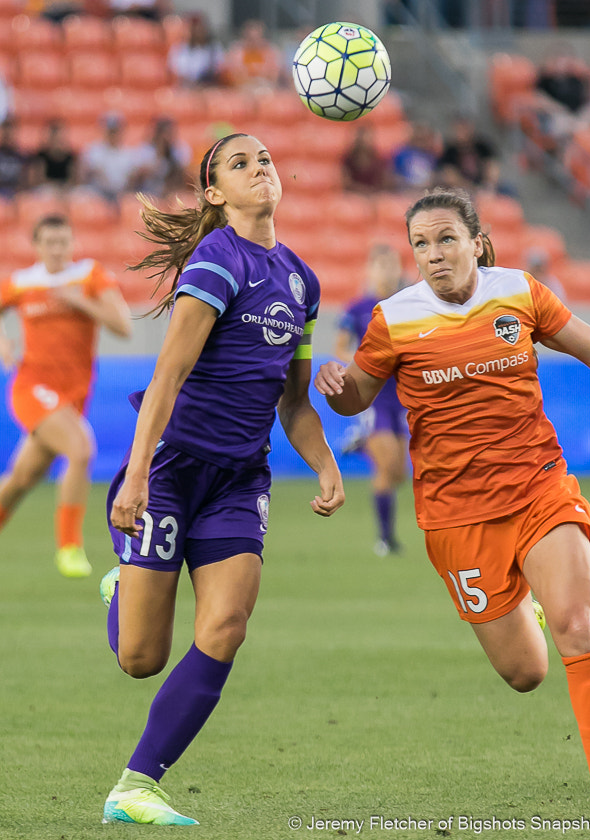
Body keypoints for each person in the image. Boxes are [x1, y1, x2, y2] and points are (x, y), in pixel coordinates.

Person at [314, 186, 590, 823]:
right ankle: (524, 609)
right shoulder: (393, 318)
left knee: (580, 625)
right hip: (456, 516)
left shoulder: (518, 291)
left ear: (477, 242)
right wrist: (338, 386)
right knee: (525, 673)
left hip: (539, 485)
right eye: (420, 244)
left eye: (446, 239)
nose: (432, 255)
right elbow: (358, 398)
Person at [98, 133, 344, 825]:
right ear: (214, 193)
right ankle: (122, 583)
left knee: (227, 625)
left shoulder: (301, 280)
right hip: (171, 469)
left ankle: (137, 785)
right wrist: (138, 476)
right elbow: (168, 375)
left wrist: (324, 464)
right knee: (141, 658)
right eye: (240, 163)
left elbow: (291, 400)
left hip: (241, 477)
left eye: (264, 159)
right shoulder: (215, 259)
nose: (260, 168)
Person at [0, 214, 131, 577]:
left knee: (22, 478)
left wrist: (80, 303)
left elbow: (123, 326)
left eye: (63, 242)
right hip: (31, 387)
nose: (57, 249)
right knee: (81, 448)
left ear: (72, 244)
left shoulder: (88, 276)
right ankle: (69, 547)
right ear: (37, 246)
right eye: (49, 242)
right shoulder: (23, 282)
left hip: (73, 395)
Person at [334, 243, 408, 556]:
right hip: (374, 397)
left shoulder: (410, 304)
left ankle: (362, 443)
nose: (386, 272)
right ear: (370, 270)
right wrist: (362, 369)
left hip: (403, 396)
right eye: (380, 265)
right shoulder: (357, 308)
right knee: (387, 467)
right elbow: (340, 348)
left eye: (391, 265)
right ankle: (386, 540)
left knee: (400, 474)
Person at [80, 113, 146, 204]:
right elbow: (86, 175)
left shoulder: (129, 153)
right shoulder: (93, 151)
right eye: (111, 131)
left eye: (116, 131)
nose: (113, 134)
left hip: (122, 194)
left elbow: (133, 179)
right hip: (98, 194)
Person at [135, 117, 191, 198]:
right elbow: (143, 174)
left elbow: (184, 173)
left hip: (173, 192)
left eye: (170, 133)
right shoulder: (146, 150)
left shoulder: (180, 149)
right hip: (150, 192)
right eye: (164, 133)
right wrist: (160, 152)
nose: (167, 137)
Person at [168, 12, 226, 87]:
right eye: (194, 28)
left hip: (208, 88)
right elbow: (177, 72)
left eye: (200, 28)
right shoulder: (179, 49)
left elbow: (219, 70)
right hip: (186, 88)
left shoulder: (214, 48)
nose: (197, 31)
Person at [222, 19, 282, 91]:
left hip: (265, 89)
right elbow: (234, 76)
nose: (254, 42)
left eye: (256, 38)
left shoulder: (271, 52)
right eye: (250, 38)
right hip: (241, 90)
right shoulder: (236, 52)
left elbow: (273, 77)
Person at [342, 126, 392, 193]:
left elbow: (383, 182)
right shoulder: (348, 159)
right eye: (361, 137)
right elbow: (347, 183)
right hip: (354, 197)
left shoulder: (378, 160)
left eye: (366, 138)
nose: (363, 141)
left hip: (375, 197)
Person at [31, 120, 79, 191]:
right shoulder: (41, 156)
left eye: (60, 138)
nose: (57, 141)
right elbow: (38, 180)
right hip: (47, 189)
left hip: (66, 190)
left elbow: (75, 180)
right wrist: (55, 186)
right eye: (55, 137)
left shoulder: (70, 156)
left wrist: (64, 187)